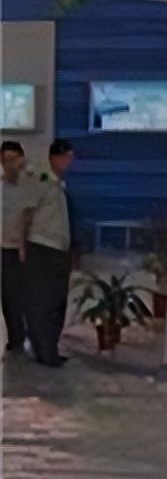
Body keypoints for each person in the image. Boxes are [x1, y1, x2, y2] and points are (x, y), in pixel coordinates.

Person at [22, 139, 76, 367]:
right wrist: (22, 246)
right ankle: (43, 351)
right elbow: (25, 213)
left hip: (59, 251)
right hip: (42, 249)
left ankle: (50, 349)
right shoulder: (41, 181)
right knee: (42, 303)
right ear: (55, 157)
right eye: (66, 157)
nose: (69, 162)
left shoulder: (58, 184)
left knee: (57, 303)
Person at [1, 140, 35, 353]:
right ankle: (16, 339)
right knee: (8, 297)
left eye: (14, 159)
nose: (10, 165)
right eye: (6, 160)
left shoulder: (32, 187)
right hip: (5, 249)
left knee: (27, 296)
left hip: (27, 249)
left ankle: (32, 335)